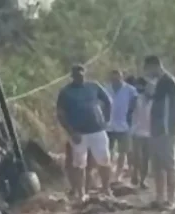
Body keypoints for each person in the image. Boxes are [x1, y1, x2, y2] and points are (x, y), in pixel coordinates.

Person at [56, 64, 113, 200]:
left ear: (85, 74)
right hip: (78, 133)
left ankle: (106, 189)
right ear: (72, 76)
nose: (79, 77)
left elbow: (108, 101)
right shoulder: (66, 92)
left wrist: (106, 120)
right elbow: (60, 114)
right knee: (79, 163)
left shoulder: (93, 86)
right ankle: (81, 193)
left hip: (97, 130)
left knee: (104, 160)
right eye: (76, 75)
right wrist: (70, 131)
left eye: (81, 74)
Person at [144, 55, 175, 209]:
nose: (147, 72)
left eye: (148, 68)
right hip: (155, 130)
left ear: (155, 66)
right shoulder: (157, 83)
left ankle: (171, 200)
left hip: (166, 131)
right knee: (157, 166)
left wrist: (173, 127)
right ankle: (159, 198)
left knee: (168, 165)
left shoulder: (168, 81)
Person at [105, 69, 137, 181]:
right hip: (108, 125)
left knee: (123, 152)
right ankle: (108, 173)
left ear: (122, 77)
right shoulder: (106, 89)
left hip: (124, 125)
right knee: (108, 151)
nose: (115, 80)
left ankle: (118, 174)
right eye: (113, 78)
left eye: (117, 78)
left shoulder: (130, 90)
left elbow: (135, 104)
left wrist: (131, 118)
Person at [129, 74, 153, 188]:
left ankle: (142, 180)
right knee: (137, 156)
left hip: (150, 133)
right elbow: (129, 112)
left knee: (146, 158)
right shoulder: (136, 98)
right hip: (137, 131)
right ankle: (135, 174)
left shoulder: (155, 102)